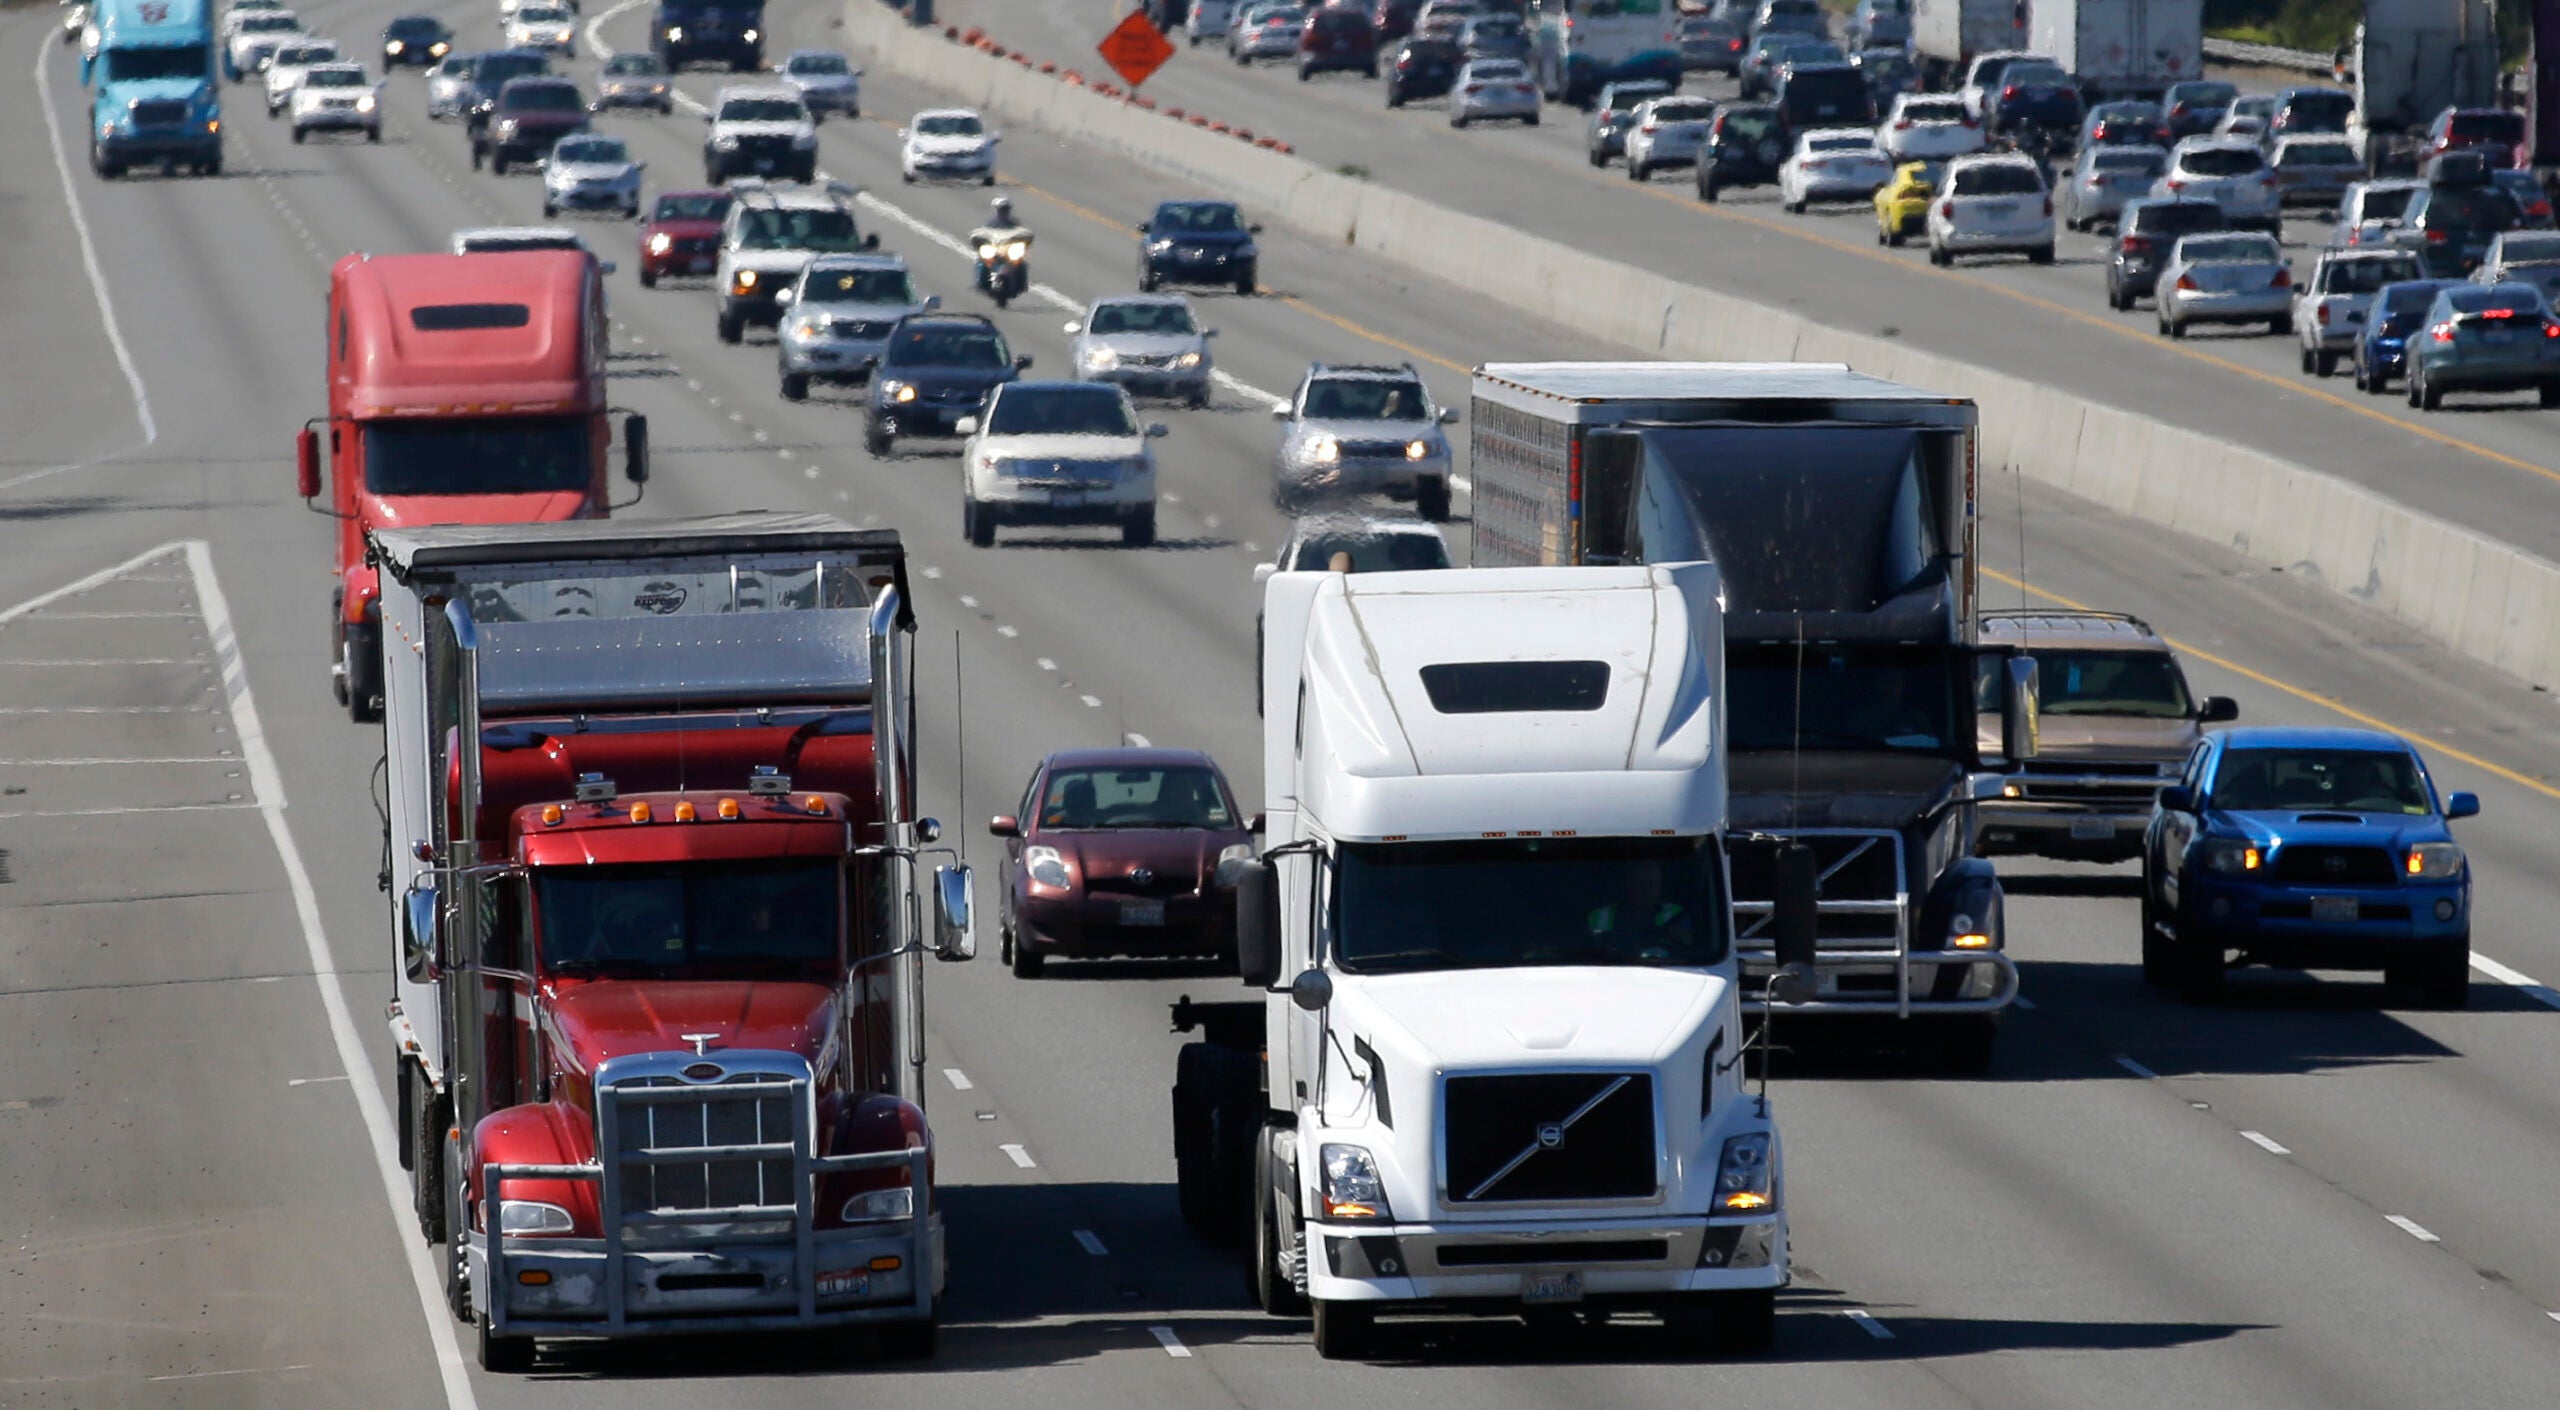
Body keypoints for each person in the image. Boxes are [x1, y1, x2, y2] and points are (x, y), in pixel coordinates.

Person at [1585, 865, 1693, 951]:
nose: (1646, 891)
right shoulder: (1599, 916)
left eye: (1651, 885)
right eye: (1640, 885)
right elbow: (1587, 952)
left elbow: (1689, 944)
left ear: (1660, 887)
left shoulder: (1674, 913)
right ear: (1628, 885)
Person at [968, 197, 1033, 291]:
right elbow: (984, 232)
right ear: (997, 210)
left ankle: (1022, 283)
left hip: (1008, 249)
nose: (1003, 212)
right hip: (995, 249)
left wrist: (1024, 239)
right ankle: (980, 281)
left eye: (1005, 209)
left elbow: (1022, 233)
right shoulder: (991, 223)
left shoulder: (1014, 223)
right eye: (1001, 209)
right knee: (982, 261)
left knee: (1022, 264)